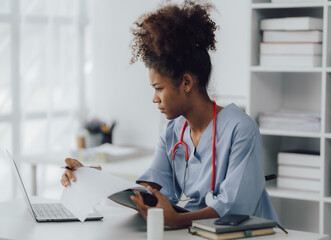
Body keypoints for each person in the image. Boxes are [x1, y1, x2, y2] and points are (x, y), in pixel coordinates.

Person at [61, 0, 279, 227]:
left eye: (159, 88)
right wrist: (91, 179)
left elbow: (235, 209)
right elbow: (149, 191)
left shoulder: (241, 129)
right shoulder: (173, 131)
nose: (154, 98)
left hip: (246, 232)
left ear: (186, 82)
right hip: (196, 230)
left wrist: (180, 219)